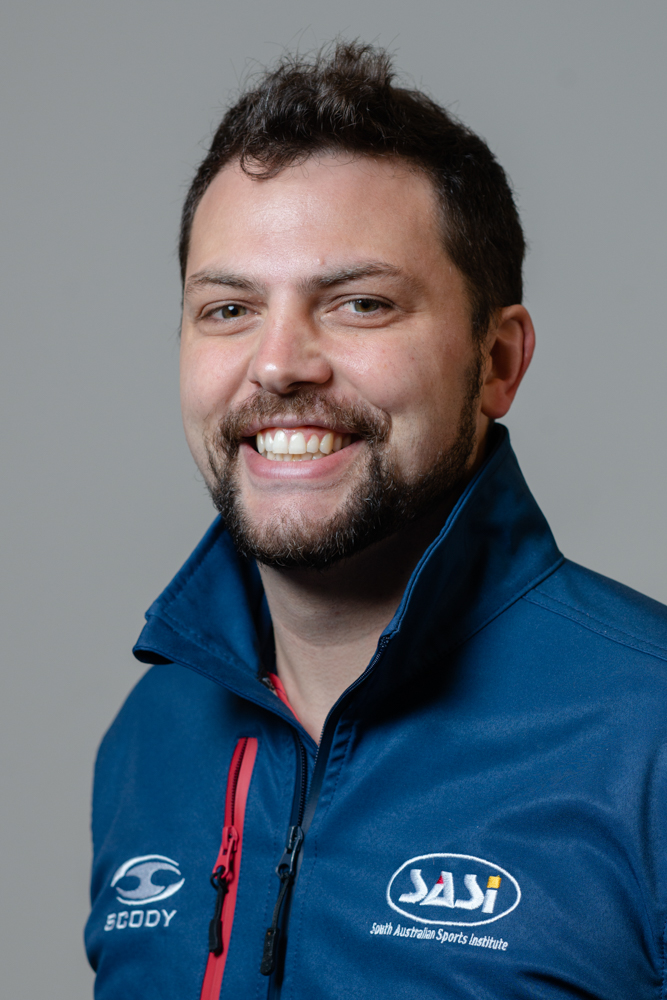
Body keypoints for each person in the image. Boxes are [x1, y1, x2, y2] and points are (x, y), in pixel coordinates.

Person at [85, 42, 667, 999]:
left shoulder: (646, 734)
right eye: (228, 309)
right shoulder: (151, 739)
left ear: (497, 362)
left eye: (360, 304)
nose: (279, 364)